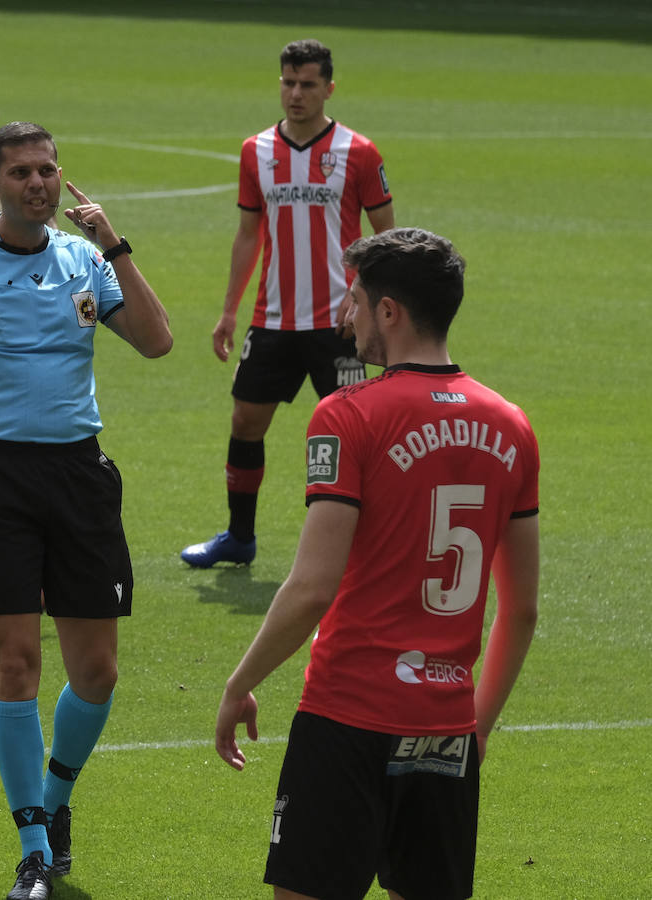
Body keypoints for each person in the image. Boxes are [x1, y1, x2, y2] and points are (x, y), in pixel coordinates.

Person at [0, 122, 171, 900]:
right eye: (22, 173)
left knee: (98, 672)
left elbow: (156, 342)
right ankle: (33, 850)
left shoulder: (82, 258)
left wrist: (116, 244)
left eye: (48, 170)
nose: (39, 184)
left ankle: (53, 803)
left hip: (79, 474)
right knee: (16, 664)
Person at [214, 228, 540, 900]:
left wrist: (239, 682)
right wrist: (470, 731)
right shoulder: (512, 426)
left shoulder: (347, 415)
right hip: (445, 725)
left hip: (348, 717)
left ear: (389, 311)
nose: (345, 316)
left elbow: (311, 587)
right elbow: (523, 609)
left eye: (355, 300)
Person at [181, 38, 395, 568]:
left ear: (328, 87)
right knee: (245, 423)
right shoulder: (256, 151)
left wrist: (365, 302)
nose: (295, 93)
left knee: (356, 435)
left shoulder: (358, 152)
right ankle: (239, 537)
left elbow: (386, 234)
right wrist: (230, 310)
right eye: (288, 82)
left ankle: (368, 548)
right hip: (273, 320)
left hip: (338, 324)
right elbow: (248, 234)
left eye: (307, 84)